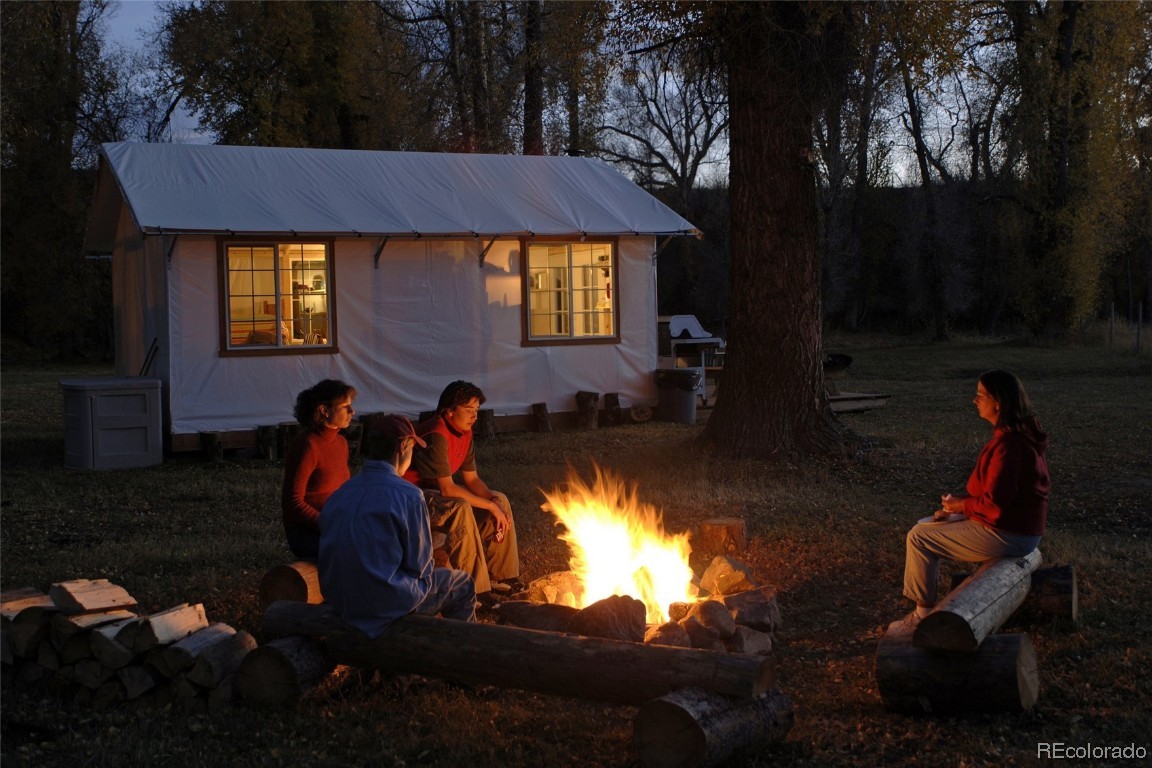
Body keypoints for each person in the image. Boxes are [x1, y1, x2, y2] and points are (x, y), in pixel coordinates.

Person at [902, 369, 1050, 623]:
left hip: (1011, 534)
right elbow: (1000, 495)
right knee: (936, 525)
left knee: (919, 537)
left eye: (980, 395)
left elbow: (994, 506)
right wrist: (957, 510)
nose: (975, 400)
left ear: (998, 402)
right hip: (1020, 528)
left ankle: (922, 617)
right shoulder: (1020, 435)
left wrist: (962, 505)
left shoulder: (1009, 446)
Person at [319, 414, 475, 637]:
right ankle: (465, 647)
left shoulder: (340, 494)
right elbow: (420, 567)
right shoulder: (408, 495)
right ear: (403, 447)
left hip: (340, 601)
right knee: (462, 583)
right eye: (413, 449)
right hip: (385, 604)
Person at [403, 380, 522, 596]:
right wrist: (489, 506)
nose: (474, 416)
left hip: (436, 492)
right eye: (468, 410)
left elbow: (472, 479)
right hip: (412, 497)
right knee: (460, 507)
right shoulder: (436, 433)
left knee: (500, 499)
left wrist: (493, 501)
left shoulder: (465, 432)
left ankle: (503, 575)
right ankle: (476, 589)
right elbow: (448, 489)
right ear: (449, 411)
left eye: (476, 410)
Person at [281, 379, 357, 559]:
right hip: (308, 531)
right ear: (324, 410)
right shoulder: (308, 445)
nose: (352, 411)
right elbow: (294, 503)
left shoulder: (341, 443)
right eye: (345, 407)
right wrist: (328, 524)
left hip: (336, 525)